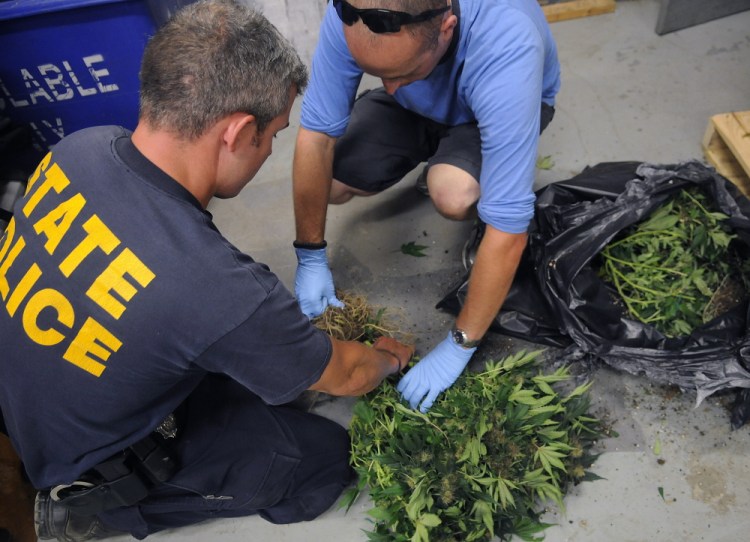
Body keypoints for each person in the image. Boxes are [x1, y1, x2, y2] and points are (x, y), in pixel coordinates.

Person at [0, 0, 414, 540]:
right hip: (90, 464)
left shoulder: (79, 148)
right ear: (239, 132)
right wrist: (387, 359)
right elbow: (350, 374)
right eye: (271, 136)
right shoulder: (214, 286)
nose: (268, 151)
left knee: (247, 365)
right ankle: (92, 512)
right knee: (322, 460)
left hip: (34, 402)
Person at [292, 0, 560, 412]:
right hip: (425, 97)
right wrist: (309, 254)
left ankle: (459, 166)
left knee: (453, 194)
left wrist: (459, 344)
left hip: (489, 108)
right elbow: (316, 138)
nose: (392, 87)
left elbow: (510, 231)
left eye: (400, 74)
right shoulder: (353, 11)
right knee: (329, 181)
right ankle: (437, 147)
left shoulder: (507, 44)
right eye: (380, 75)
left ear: (448, 28)